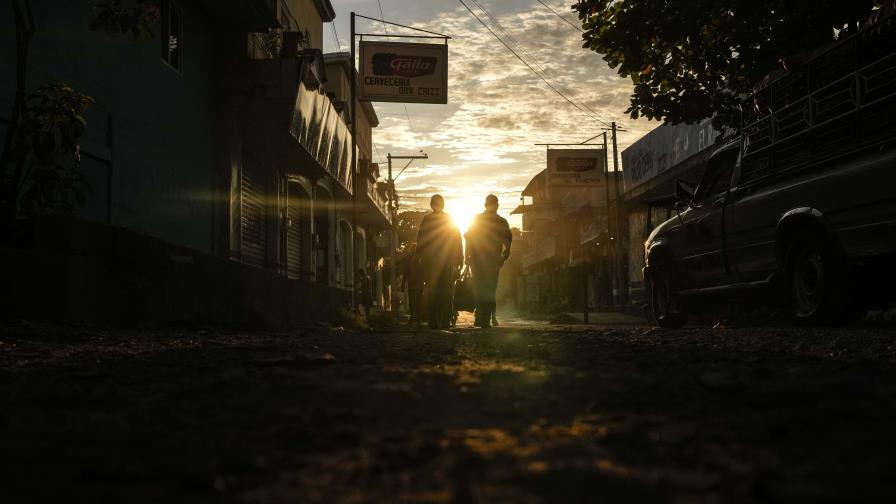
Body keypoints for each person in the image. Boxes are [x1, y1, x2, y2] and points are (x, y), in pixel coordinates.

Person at [415, 194, 463, 329]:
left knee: (433, 292)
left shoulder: (427, 219)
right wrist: (460, 259)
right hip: (447, 262)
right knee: (446, 292)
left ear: (431, 205)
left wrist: (418, 258)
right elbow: (457, 240)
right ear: (443, 205)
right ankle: (445, 321)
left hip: (432, 262)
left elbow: (421, 240)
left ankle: (433, 322)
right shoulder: (449, 219)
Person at [465, 194, 512, 328]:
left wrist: (467, 256)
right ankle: (486, 317)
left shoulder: (476, 219)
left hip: (478, 260)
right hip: (492, 261)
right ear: (497, 205)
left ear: (485, 205)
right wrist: (503, 258)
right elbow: (508, 243)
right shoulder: (501, 221)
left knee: (480, 287)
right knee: (490, 288)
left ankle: (481, 316)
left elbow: (469, 239)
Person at [401, 243, 423, 328]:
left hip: (417, 284)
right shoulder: (409, 259)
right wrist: (403, 283)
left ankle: (416, 319)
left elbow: (405, 272)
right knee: (414, 303)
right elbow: (405, 272)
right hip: (413, 284)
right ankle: (415, 319)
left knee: (416, 302)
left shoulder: (419, 258)